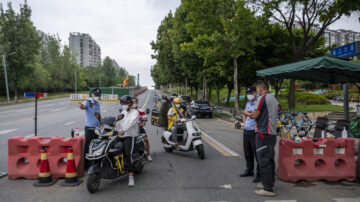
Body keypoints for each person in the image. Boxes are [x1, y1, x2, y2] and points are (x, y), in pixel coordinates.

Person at [248, 81, 279, 197]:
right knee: (270, 159)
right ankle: (270, 183)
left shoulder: (262, 98)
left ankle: (268, 188)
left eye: (257, 90)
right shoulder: (274, 98)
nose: (256, 93)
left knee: (263, 160)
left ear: (260, 89)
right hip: (272, 133)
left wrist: (248, 114)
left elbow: (255, 115)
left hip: (263, 133)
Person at [115, 95, 139, 187]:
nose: (123, 105)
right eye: (122, 103)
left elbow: (131, 123)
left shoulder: (135, 113)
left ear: (130, 104)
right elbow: (117, 124)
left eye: (125, 103)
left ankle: (131, 177)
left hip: (130, 135)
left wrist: (123, 130)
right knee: (111, 148)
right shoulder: (122, 112)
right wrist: (115, 123)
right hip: (120, 135)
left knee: (128, 154)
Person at [240, 86, 261, 183]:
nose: (250, 95)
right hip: (247, 130)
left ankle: (259, 174)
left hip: (254, 131)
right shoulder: (248, 103)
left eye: (251, 93)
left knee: (256, 153)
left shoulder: (258, 103)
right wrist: (244, 125)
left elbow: (254, 115)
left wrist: (248, 114)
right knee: (247, 153)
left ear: (255, 93)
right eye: (248, 93)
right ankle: (249, 170)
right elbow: (244, 114)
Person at [79, 88, 102, 169]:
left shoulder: (98, 104)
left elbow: (98, 115)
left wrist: (101, 123)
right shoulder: (88, 102)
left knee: (96, 146)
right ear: (92, 95)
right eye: (95, 95)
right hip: (89, 128)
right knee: (88, 146)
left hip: (97, 128)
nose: (97, 97)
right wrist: (81, 106)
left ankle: (93, 162)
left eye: (98, 95)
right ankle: (85, 165)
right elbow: (83, 106)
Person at [132, 97, 152, 162]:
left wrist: (143, 124)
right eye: (131, 102)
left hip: (139, 127)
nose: (133, 103)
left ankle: (148, 154)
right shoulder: (129, 110)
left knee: (146, 139)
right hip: (130, 128)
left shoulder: (141, 110)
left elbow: (145, 118)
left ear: (137, 103)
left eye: (134, 102)